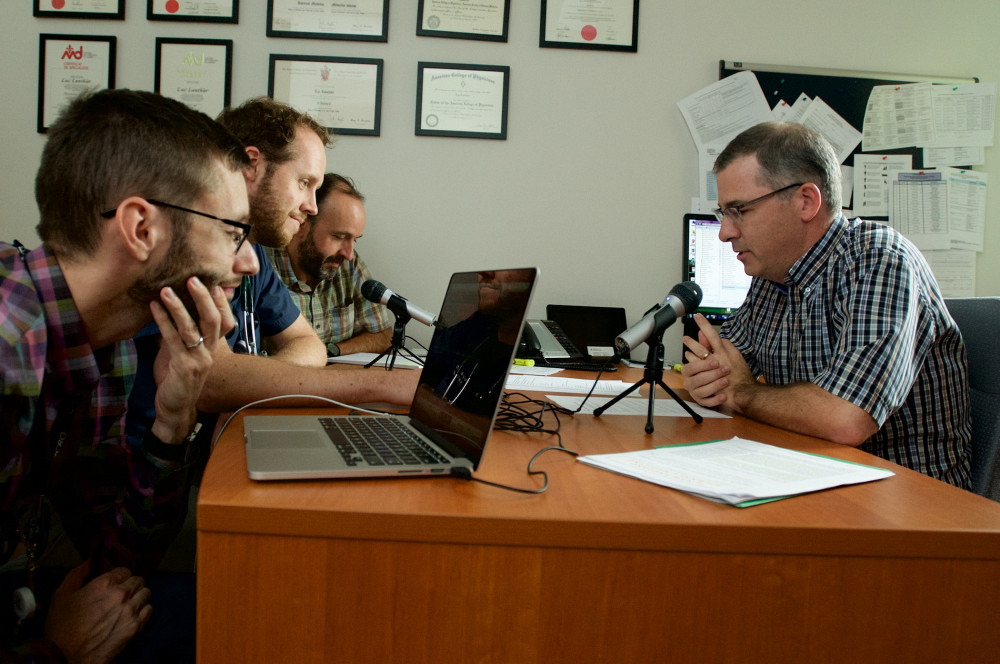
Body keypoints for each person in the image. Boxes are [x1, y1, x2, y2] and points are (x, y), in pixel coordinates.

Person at [1, 88, 255, 662]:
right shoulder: (8, 353)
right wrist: (57, 652)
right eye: (232, 231)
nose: (248, 262)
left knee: (239, 608)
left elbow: (117, 565)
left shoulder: (110, 344)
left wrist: (173, 419)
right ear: (141, 228)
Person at [681, 121, 971, 488]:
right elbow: (724, 366)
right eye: (723, 212)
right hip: (809, 472)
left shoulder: (879, 260)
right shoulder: (773, 274)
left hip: (906, 497)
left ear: (806, 201)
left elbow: (846, 419)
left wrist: (741, 392)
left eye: (740, 210)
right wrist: (706, 379)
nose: (725, 232)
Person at [264, 173, 392, 357]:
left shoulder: (347, 264)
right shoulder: (262, 267)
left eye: (355, 240)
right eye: (339, 237)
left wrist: (330, 352)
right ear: (302, 224)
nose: (348, 254)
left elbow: (383, 336)